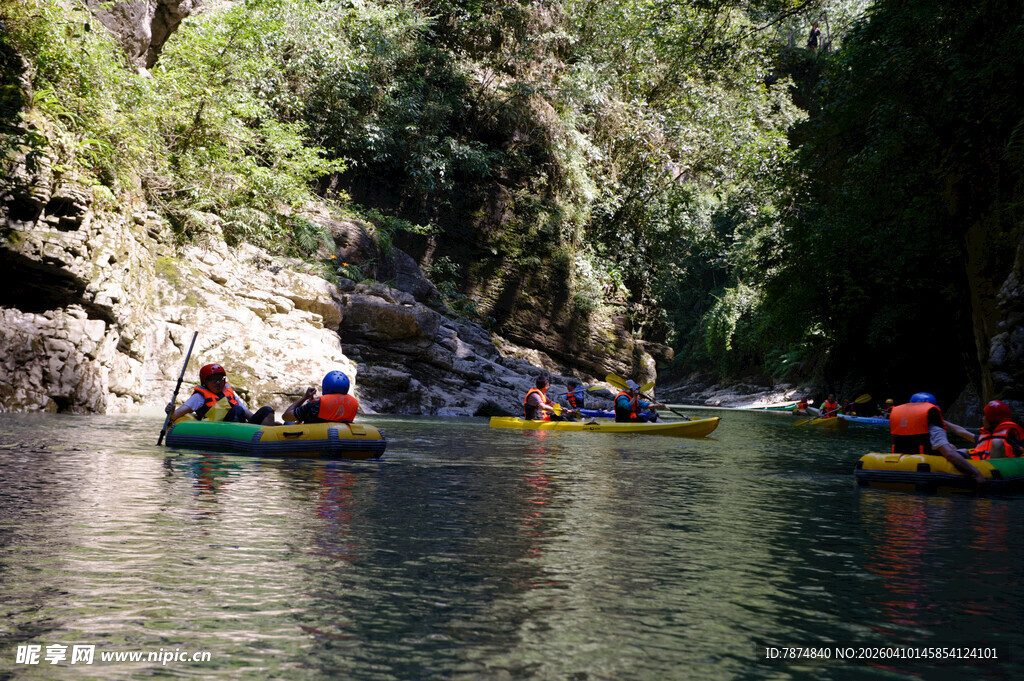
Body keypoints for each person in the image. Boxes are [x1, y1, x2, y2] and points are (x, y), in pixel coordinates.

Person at [889, 392, 986, 486]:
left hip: (903, 462)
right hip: (925, 465)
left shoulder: (901, 425)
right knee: (963, 451)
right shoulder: (935, 429)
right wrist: (977, 473)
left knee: (951, 446)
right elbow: (949, 454)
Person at [166, 363, 277, 425]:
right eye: (213, 380)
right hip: (219, 429)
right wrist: (170, 411)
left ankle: (267, 435)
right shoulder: (199, 397)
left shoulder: (229, 392)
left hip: (241, 428)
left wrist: (261, 420)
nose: (218, 383)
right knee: (236, 410)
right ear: (205, 382)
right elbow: (175, 415)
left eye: (220, 379)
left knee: (266, 409)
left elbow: (247, 413)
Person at [283, 371, 359, 424]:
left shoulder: (315, 405)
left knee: (288, 423)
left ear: (325, 386)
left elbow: (286, 417)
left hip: (316, 440)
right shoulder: (354, 404)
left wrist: (305, 397)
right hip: (342, 438)